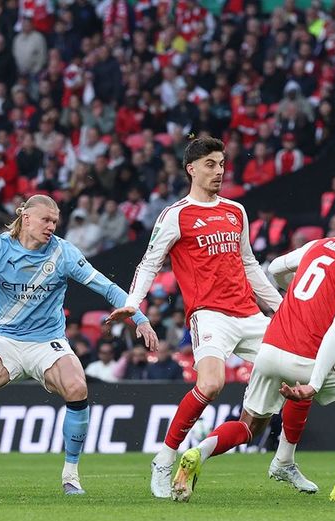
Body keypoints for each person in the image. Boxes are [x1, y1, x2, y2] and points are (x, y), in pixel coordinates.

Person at [106, 137, 302, 499]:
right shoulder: (175, 215)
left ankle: (284, 461)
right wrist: (134, 302)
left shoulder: (235, 211)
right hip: (210, 316)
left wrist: (278, 306)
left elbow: (249, 264)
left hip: (249, 313)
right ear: (191, 169)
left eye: (222, 164)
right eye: (210, 164)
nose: (219, 171)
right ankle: (164, 459)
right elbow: (150, 263)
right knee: (210, 384)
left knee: (299, 373)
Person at [0, 195, 157, 496]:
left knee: (77, 388)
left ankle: (71, 476)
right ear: (26, 217)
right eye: (46, 220)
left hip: (49, 342)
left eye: (55, 221)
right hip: (6, 340)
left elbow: (106, 287)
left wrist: (140, 319)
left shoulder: (63, 253)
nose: (51, 226)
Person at [169, 201, 335, 503]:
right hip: (306, 355)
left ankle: (203, 451)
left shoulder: (321, 244)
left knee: (249, 426)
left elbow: (275, 268)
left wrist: (298, 294)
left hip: (270, 348)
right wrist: (315, 381)